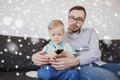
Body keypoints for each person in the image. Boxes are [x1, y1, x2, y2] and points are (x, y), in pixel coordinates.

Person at [32, 6, 120, 80]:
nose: (74, 22)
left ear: (84, 21)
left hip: (98, 64)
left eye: (79, 19)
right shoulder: (60, 35)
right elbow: (49, 51)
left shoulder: (90, 31)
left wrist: (76, 60)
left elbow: (96, 52)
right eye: (72, 18)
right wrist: (34, 58)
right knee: (112, 78)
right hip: (81, 68)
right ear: (68, 18)